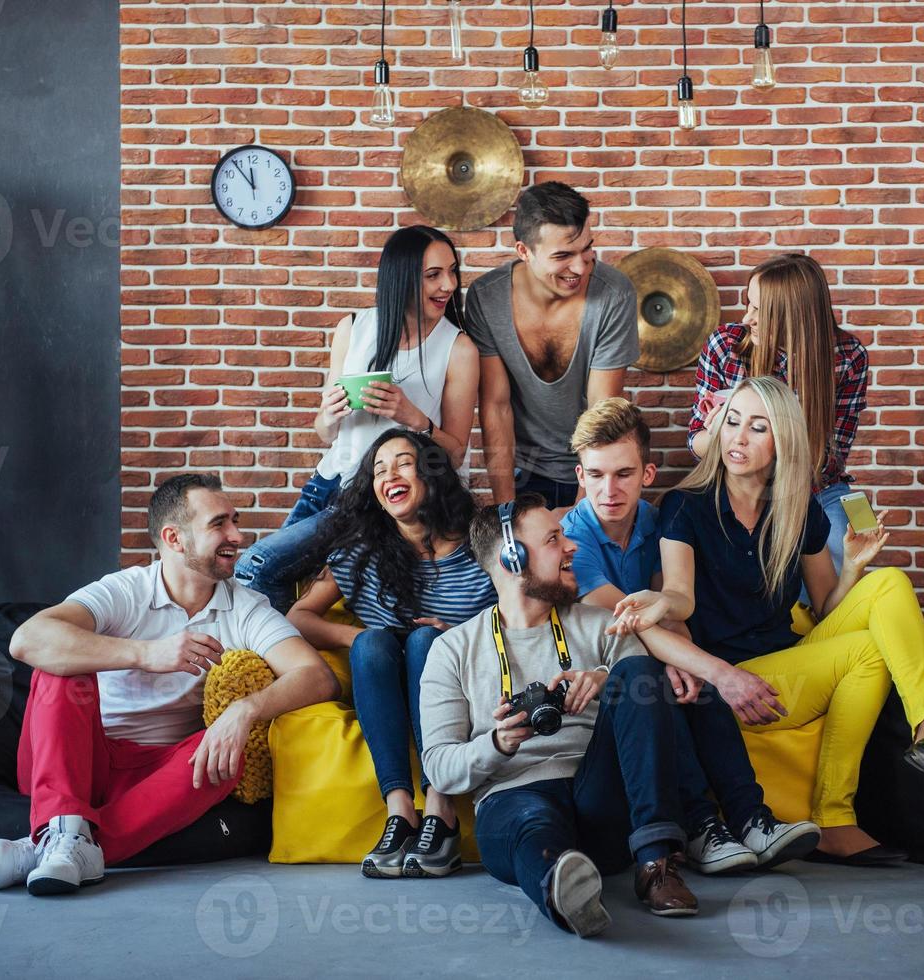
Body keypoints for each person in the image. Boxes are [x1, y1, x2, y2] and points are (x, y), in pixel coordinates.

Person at [617, 377, 924, 866]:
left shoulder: (799, 510)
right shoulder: (686, 506)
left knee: (889, 582)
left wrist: (854, 565)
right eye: (731, 422)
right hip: (735, 683)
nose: (737, 438)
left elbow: (825, 611)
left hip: (792, 656)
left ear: (783, 441)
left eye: (757, 428)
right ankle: (835, 815)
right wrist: (661, 604)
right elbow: (680, 596)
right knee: (868, 650)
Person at [0, 474, 339, 895]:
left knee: (225, 756)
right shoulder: (126, 590)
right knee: (61, 670)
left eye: (235, 521)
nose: (238, 535)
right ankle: (66, 832)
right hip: (76, 764)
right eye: (219, 524)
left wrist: (243, 710)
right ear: (174, 538)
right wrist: (146, 654)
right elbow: (27, 639)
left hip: (158, 780)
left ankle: (53, 845)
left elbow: (317, 676)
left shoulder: (244, 607)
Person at [419, 495, 698, 937]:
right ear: (513, 558)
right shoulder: (452, 649)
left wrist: (608, 682)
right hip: (513, 797)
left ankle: (655, 864)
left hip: (599, 795)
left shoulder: (601, 623)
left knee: (638, 670)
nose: (572, 548)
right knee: (533, 826)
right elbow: (439, 767)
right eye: (554, 539)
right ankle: (563, 889)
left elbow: (648, 702)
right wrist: (496, 743)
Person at [562, 397, 820, 874]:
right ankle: (703, 826)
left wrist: (687, 655)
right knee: (669, 682)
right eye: (595, 475)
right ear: (580, 477)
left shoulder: (657, 522)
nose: (609, 490)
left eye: (623, 474)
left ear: (648, 475)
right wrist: (717, 671)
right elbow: (630, 626)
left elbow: (670, 600)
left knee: (693, 680)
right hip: (599, 673)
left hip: (655, 650)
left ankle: (751, 819)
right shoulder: (571, 544)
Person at [236, 224, 480, 612]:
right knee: (254, 586)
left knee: (256, 566)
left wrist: (412, 416)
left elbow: (453, 454)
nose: (448, 285)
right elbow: (324, 433)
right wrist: (330, 414)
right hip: (327, 485)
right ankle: (284, 663)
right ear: (401, 277)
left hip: (377, 499)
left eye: (452, 271)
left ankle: (298, 664)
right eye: (433, 275)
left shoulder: (458, 347)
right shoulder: (353, 327)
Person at [287, 429, 494, 879]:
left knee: (424, 642)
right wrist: (356, 635)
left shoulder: (480, 544)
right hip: (387, 683)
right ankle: (400, 812)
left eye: (402, 463)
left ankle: (441, 809)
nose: (390, 476)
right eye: (379, 470)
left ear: (432, 474)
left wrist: (456, 635)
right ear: (375, 493)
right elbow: (298, 617)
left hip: (464, 685)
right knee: (374, 643)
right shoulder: (362, 552)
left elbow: (516, 616)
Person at [466, 181, 639, 511]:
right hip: (522, 470)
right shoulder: (486, 297)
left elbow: (601, 413)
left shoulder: (614, 294)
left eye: (587, 250)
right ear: (524, 252)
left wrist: (581, 510)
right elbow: (496, 407)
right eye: (562, 256)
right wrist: (508, 513)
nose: (579, 267)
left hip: (595, 470)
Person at [687, 253, 868, 566]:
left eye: (759, 310)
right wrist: (717, 434)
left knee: (859, 547)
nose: (747, 318)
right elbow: (696, 443)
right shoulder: (723, 346)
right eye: (749, 305)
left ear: (794, 316)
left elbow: (827, 460)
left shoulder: (849, 357)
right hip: (738, 490)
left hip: (818, 489)